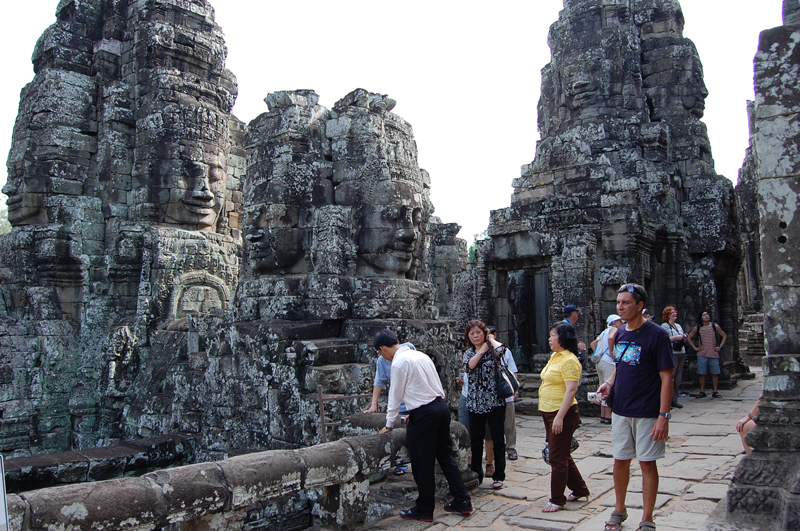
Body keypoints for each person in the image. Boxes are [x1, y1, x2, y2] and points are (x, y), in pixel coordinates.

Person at [597, 283, 674, 531]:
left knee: (647, 463)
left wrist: (664, 415)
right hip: (621, 408)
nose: (620, 307)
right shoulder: (620, 334)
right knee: (620, 460)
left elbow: (667, 377)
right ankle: (619, 509)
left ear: (640, 306)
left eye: (626, 302)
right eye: (618, 302)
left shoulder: (657, 335)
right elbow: (621, 366)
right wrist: (609, 383)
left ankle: (648, 517)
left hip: (648, 410)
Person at [376, 330, 472, 521]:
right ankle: (462, 499)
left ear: (383, 349)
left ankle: (425, 508)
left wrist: (389, 424)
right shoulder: (420, 355)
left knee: (421, 461)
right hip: (440, 407)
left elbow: (395, 395)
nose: (382, 356)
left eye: (380, 353)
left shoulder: (399, 362)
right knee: (445, 456)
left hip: (424, 413)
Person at [539, 322, 591, 512]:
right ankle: (579, 489)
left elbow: (571, 390)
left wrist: (560, 417)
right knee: (561, 453)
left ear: (563, 338)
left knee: (557, 458)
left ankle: (557, 499)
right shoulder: (555, 357)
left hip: (563, 413)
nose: (550, 338)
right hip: (549, 410)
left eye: (553, 335)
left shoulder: (569, 360)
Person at [463, 320, 507, 489]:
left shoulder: (493, 351)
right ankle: (477, 473)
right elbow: (469, 367)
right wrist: (481, 351)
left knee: (497, 439)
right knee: (476, 440)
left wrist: (490, 339)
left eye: (478, 333)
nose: (475, 336)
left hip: (495, 400)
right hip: (475, 401)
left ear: (484, 334)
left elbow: (502, 349)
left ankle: (499, 475)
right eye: (472, 333)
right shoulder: (469, 353)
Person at [364, 342, 417, 475]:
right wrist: (373, 403)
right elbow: (378, 381)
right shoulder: (382, 360)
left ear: (383, 348)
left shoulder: (408, 351)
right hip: (400, 403)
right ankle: (401, 464)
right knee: (400, 434)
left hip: (414, 401)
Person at [488, 326, 519, 461]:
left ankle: (511, 447)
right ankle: (491, 450)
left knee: (509, 423)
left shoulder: (504, 351)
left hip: (505, 391)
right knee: (491, 425)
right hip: (490, 394)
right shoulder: (480, 351)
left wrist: (514, 389)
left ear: (494, 335)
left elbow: (513, 371)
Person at [686, 311, 728, 398]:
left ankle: (715, 391)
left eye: (707, 314)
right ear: (700, 317)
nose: (706, 316)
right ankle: (702, 391)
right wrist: (695, 348)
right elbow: (688, 337)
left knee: (715, 373)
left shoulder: (714, 326)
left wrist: (719, 347)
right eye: (704, 315)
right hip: (702, 353)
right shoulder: (698, 327)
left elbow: (724, 335)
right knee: (702, 373)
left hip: (713, 353)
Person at [591, 314, 623, 424]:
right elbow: (611, 338)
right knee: (608, 388)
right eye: (619, 321)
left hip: (600, 362)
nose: (621, 323)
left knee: (602, 387)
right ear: (614, 323)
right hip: (608, 361)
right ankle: (608, 416)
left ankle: (603, 415)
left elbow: (593, 344)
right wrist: (612, 352)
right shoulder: (613, 330)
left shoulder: (603, 332)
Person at [660, 307, 687, 409]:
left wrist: (683, 338)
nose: (675, 314)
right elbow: (665, 339)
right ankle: (667, 400)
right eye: (672, 313)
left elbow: (682, 338)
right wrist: (677, 337)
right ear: (667, 315)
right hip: (672, 352)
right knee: (670, 377)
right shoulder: (665, 326)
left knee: (677, 378)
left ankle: (674, 399)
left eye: (675, 312)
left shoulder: (678, 326)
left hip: (681, 352)